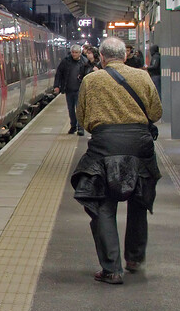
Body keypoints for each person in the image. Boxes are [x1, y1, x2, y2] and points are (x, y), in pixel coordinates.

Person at [71, 37, 162, 284]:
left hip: (105, 147)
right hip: (140, 147)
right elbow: (155, 113)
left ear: (101, 57)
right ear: (124, 56)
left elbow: (83, 117)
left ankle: (112, 269)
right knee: (138, 202)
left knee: (102, 205)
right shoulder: (143, 78)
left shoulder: (92, 80)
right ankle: (134, 258)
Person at [54, 44, 86, 136]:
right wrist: (57, 86)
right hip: (69, 89)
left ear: (80, 53)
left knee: (79, 109)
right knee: (71, 109)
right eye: (73, 52)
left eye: (76, 53)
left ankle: (80, 128)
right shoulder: (66, 61)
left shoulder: (84, 62)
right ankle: (73, 126)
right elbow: (59, 73)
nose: (74, 54)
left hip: (80, 90)